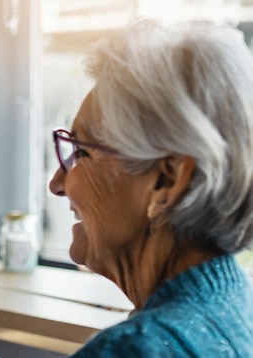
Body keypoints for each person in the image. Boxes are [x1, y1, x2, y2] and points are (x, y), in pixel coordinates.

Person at [49, 19, 253, 357]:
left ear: (166, 181)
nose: (58, 183)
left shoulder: (135, 348)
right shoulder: (238, 303)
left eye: (81, 152)